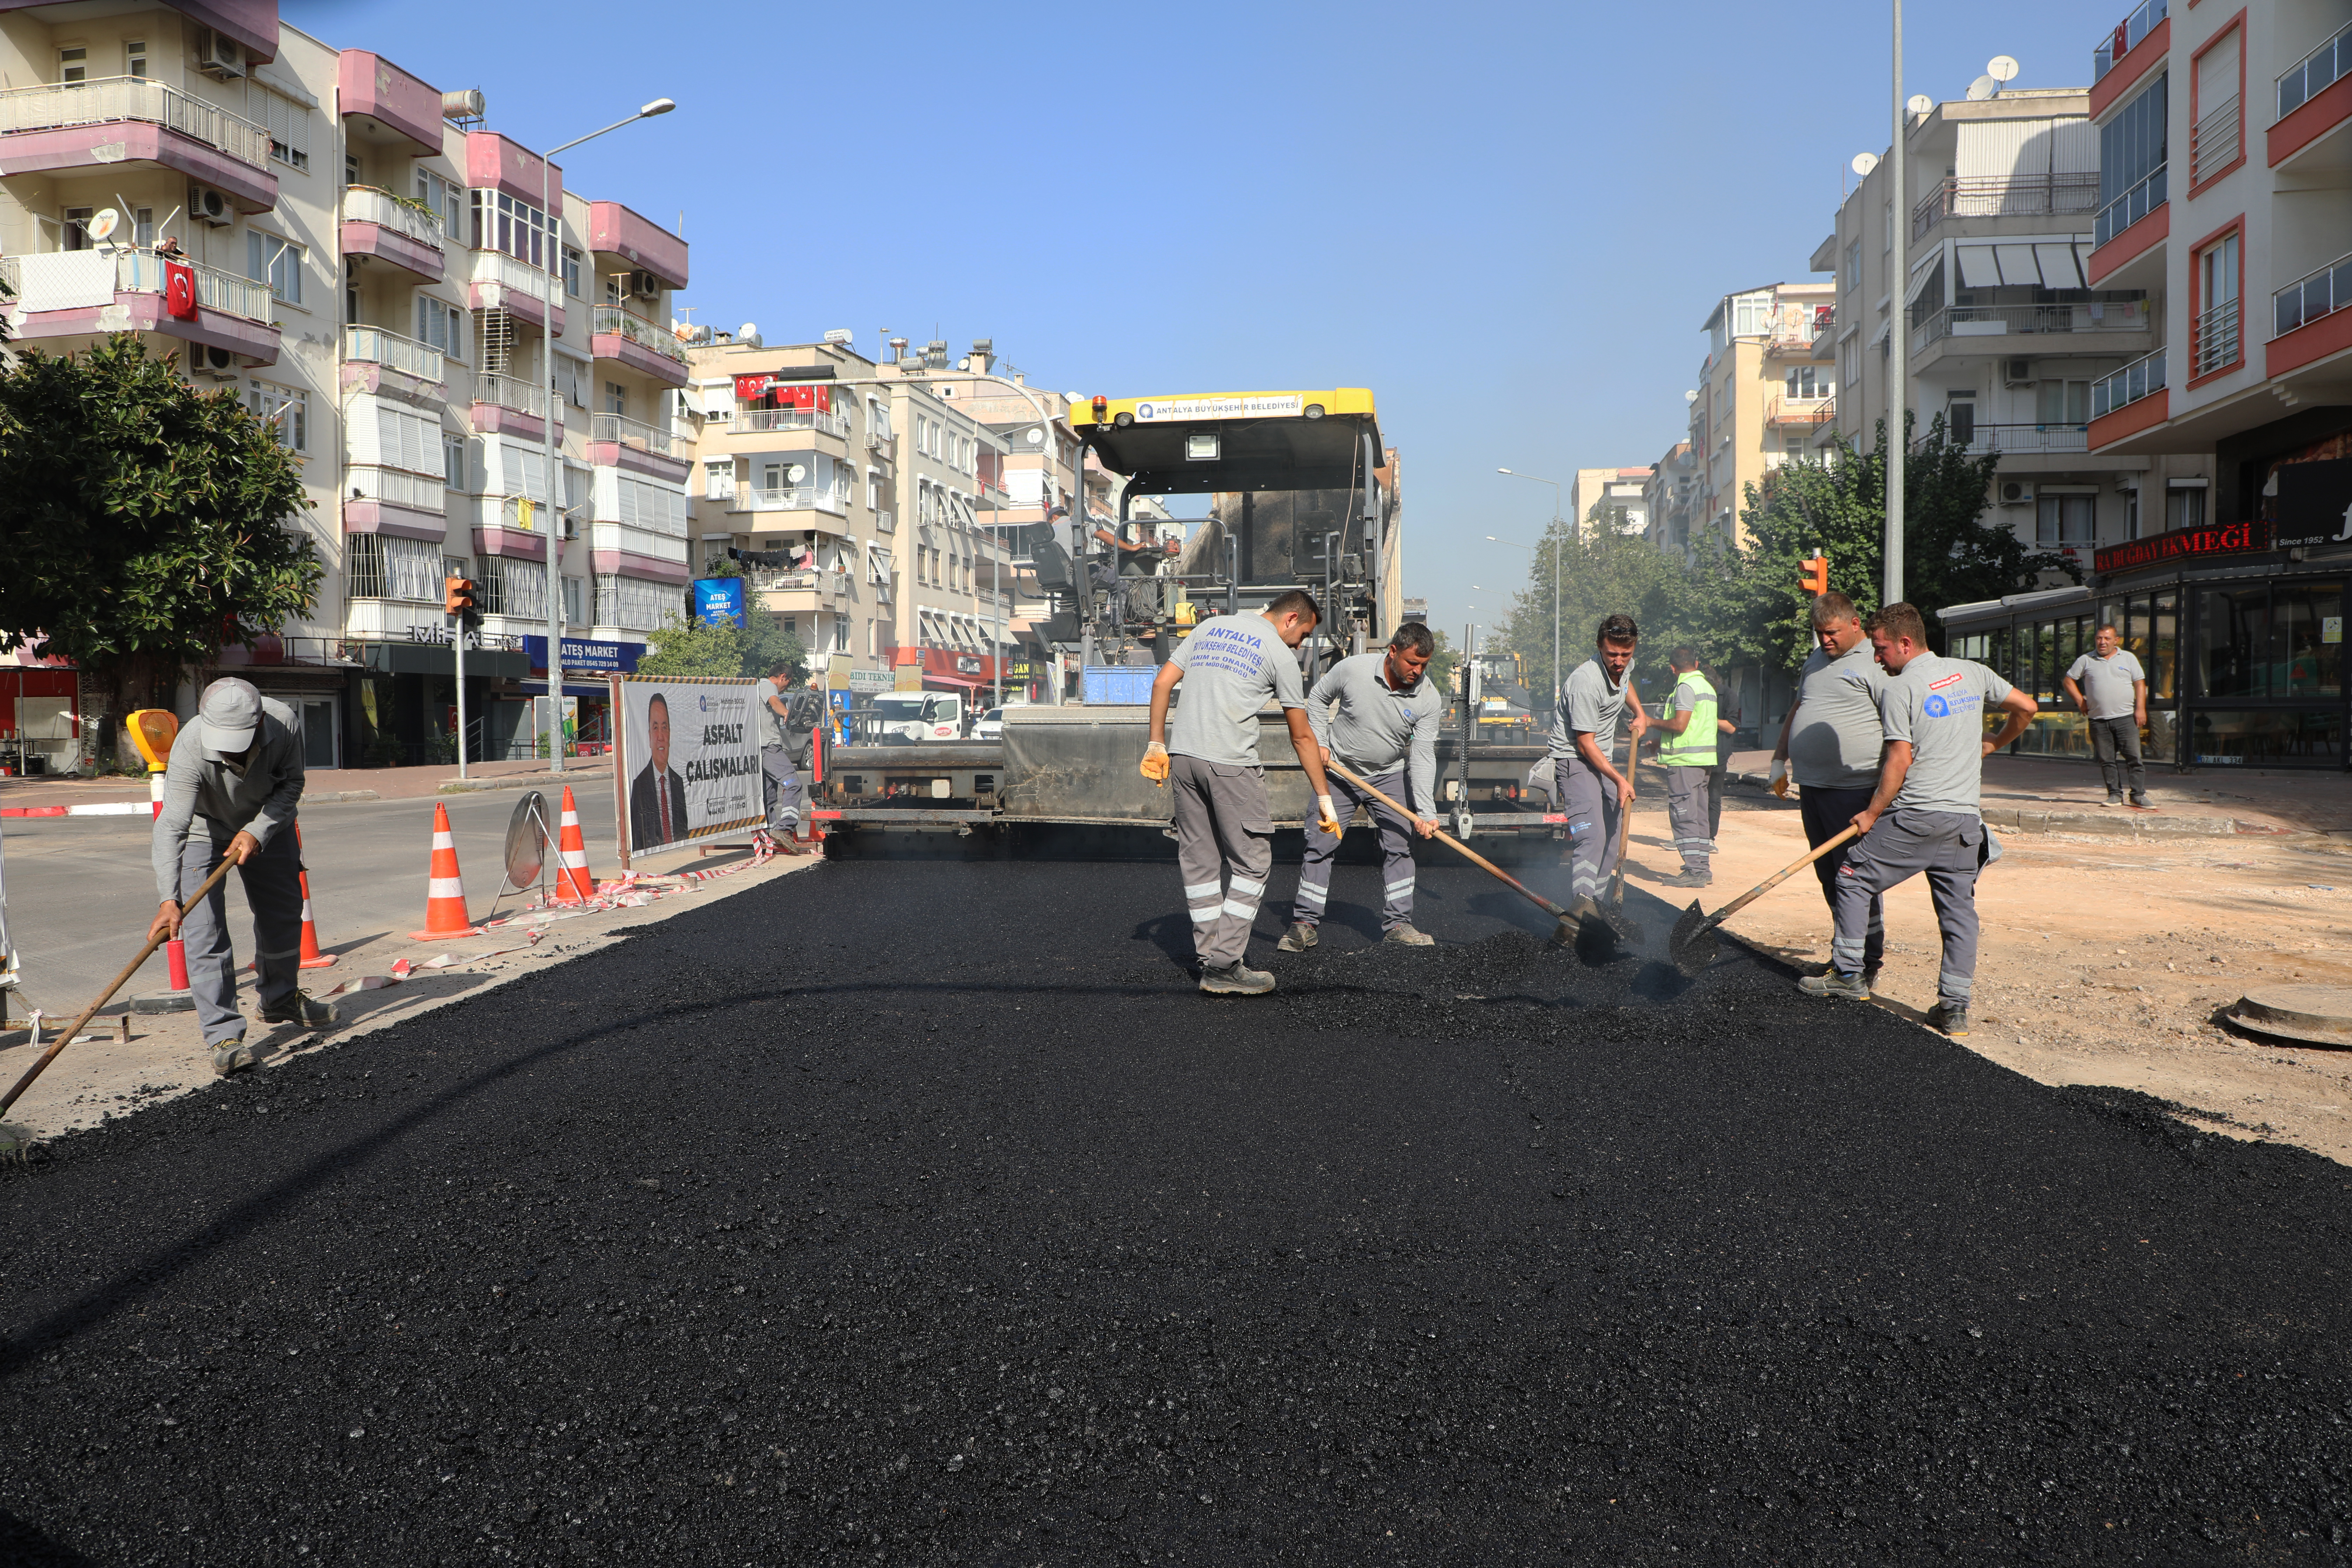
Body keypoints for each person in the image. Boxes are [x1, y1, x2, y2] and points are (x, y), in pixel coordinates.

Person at [1799, 602, 2037, 1039]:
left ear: (1905, 643)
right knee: (1958, 913)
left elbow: (1899, 759)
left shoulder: (1902, 687)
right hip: (1964, 822)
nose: (1877, 658)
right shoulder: (1973, 672)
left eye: (1882, 648)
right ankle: (1954, 1008)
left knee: (1851, 875)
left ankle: (1849, 975)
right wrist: (1996, 742)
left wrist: (1872, 813)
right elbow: (2027, 706)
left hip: (1916, 816)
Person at [1143, 589, 1337, 996]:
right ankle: (1226, 964)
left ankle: (1208, 954)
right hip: (1230, 764)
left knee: (1200, 862)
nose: (1300, 645)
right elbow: (1302, 736)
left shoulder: (1209, 626)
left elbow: (1162, 682)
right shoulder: (1280, 654)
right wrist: (1323, 796)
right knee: (1252, 863)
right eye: (1303, 634)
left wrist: (1156, 744)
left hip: (1182, 758)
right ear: (1290, 619)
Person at [145, 678, 335, 1078]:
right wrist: (168, 899)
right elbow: (172, 826)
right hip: (204, 829)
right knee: (205, 930)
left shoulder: (284, 724)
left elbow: (292, 784)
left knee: (283, 914)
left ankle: (279, 998)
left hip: (268, 824)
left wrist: (258, 830)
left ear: (260, 720)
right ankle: (223, 1037)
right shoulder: (191, 745)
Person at [1280, 622, 1444, 951]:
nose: (1418, 671)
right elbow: (1317, 699)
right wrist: (1319, 743)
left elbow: (1424, 756)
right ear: (1393, 652)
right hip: (1339, 773)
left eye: (1424, 665)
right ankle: (1304, 924)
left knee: (1400, 845)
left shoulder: (1428, 698)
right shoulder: (1353, 670)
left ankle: (1399, 924)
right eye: (1413, 662)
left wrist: (1426, 812)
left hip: (1389, 775)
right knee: (1321, 842)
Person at [1772, 592, 1892, 988]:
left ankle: (1865, 960)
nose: (1825, 640)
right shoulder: (1816, 660)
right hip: (1814, 788)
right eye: (1819, 633)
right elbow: (1799, 706)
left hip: (1854, 790)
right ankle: (1846, 952)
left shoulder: (1877, 662)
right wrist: (1779, 759)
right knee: (1828, 876)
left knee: (1854, 876)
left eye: (1831, 632)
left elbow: (1899, 723)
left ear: (1855, 624)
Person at [1549, 614, 1640, 923]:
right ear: (1599, 647)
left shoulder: (1624, 666)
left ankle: (1598, 909)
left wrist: (1638, 712)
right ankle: (1580, 913)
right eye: (1612, 654)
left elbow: (1626, 684)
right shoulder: (1585, 682)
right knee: (1594, 836)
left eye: (1625, 655)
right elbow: (1586, 744)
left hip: (1601, 761)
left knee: (1615, 838)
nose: (1619, 661)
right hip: (1575, 759)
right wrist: (1619, 780)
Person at [1648, 645, 1725, 887]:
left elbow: (1681, 725)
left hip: (1685, 763)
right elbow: (1696, 727)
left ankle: (1693, 871)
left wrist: (1651, 722)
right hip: (1703, 761)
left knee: (1684, 815)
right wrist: (1660, 743)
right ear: (1697, 663)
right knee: (1700, 814)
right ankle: (1702, 868)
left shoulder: (1685, 687)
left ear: (1673, 668)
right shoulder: (1707, 687)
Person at [2062, 623, 2150, 808]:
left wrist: (2140, 709)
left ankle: (2138, 795)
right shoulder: (2086, 660)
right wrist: (2081, 701)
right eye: (2099, 638)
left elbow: (2140, 684)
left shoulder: (2128, 658)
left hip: (2126, 718)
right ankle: (2115, 795)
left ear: (2116, 640)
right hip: (2098, 720)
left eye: (2107, 639)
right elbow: (2069, 680)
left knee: (2134, 758)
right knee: (2107, 760)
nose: (2102, 642)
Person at [752, 659, 807, 856]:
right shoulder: (768, 686)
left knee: (769, 797)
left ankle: (768, 835)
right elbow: (775, 703)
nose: (786, 688)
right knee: (793, 784)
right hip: (768, 748)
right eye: (788, 683)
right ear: (783, 677)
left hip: (761, 749)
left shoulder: (758, 687)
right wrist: (786, 713)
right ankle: (784, 829)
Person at [628, 691, 691, 851]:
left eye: (665, 727)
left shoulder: (678, 782)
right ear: (649, 736)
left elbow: (683, 830)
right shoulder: (640, 785)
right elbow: (638, 838)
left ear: (670, 734)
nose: (661, 736)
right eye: (656, 728)